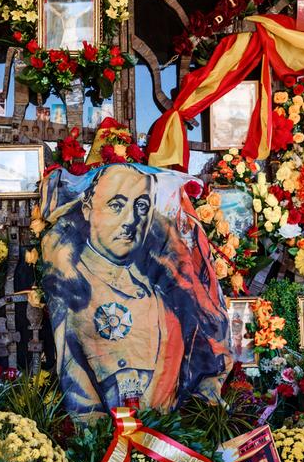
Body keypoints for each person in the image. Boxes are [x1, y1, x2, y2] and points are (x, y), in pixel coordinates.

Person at [41, 164, 231, 419]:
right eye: (116, 205)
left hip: (174, 438)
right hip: (113, 446)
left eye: (141, 207)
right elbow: (79, 398)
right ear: (88, 211)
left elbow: (203, 360)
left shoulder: (167, 282)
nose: (131, 220)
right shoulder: (73, 288)